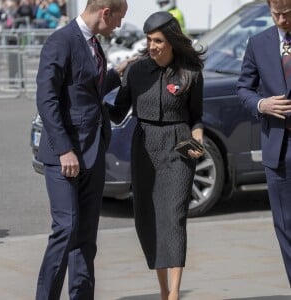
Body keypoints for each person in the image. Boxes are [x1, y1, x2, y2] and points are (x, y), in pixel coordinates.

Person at [107, 11, 205, 300]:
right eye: (149, 40)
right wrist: (92, 104)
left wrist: (197, 133)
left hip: (179, 145)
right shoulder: (137, 71)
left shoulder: (191, 72)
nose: (153, 46)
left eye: (159, 40)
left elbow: (197, 116)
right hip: (145, 145)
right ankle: (163, 290)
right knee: (147, 218)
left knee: (173, 216)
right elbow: (117, 110)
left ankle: (174, 293)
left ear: (172, 41)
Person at [35, 0, 128, 299]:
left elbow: (86, 89)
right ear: (105, 12)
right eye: (119, 18)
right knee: (66, 229)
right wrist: (64, 149)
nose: (119, 25)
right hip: (65, 155)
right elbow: (46, 99)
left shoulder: (94, 43)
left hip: (93, 151)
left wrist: (118, 72)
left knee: (86, 236)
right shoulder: (60, 41)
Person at [237, 0, 291, 287]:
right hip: (278, 148)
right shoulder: (258, 43)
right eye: (276, 13)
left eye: (287, 13)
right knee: (285, 226)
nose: (281, 19)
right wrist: (261, 104)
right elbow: (243, 88)